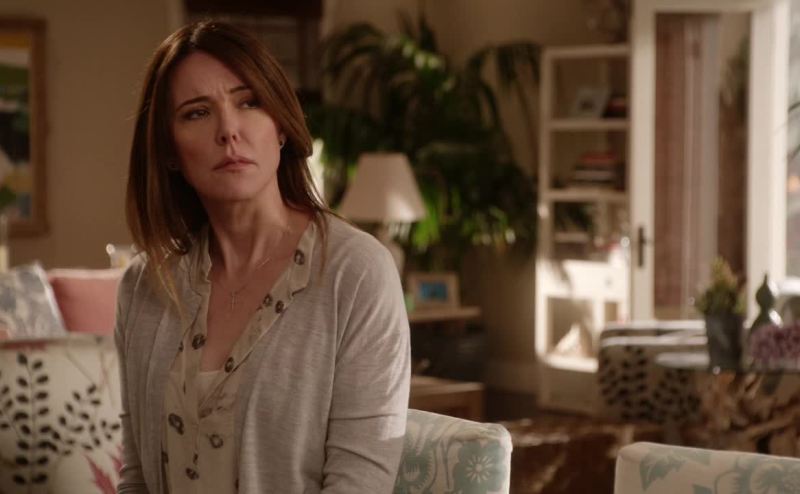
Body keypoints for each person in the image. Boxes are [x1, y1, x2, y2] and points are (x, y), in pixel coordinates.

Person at [115, 20, 411, 493]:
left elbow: (360, 482)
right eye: (197, 113)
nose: (228, 130)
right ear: (170, 151)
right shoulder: (143, 286)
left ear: (281, 127)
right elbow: (136, 478)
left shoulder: (356, 273)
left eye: (249, 102)